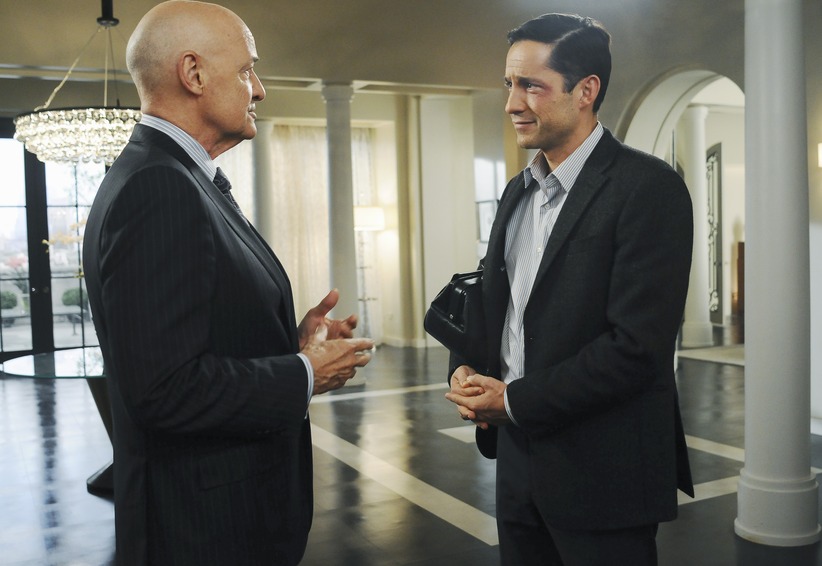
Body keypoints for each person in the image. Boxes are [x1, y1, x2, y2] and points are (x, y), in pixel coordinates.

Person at [82, 2, 374, 565]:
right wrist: (305, 373)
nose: (259, 89)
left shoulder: (178, 176)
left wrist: (292, 343)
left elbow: (192, 339)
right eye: (246, 70)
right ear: (193, 74)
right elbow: (165, 390)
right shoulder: (159, 187)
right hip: (205, 530)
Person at [444, 13, 694, 566]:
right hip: (517, 465)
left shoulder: (649, 189)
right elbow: (496, 303)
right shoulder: (516, 191)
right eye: (509, 84)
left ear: (586, 91)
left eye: (531, 86)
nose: (512, 103)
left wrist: (512, 400)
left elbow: (636, 348)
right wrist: (466, 367)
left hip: (605, 471)